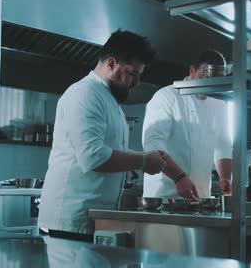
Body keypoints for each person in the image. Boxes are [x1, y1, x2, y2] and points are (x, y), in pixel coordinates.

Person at [38, 29, 167, 242]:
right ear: (111, 63)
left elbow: (109, 151)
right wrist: (144, 160)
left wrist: (150, 156)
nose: (136, 83)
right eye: (132, 73)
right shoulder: (85, 94)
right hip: (70, 222)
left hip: (92, 221)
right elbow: (94, 156)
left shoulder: (108, 98)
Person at [142, 49, 232, 200]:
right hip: (164, 197)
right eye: (204, 78)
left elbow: (223, 144)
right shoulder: (166, 96)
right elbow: (153, 144)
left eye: (216, 81)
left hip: (201, 197)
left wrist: (225, 178)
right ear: (192, 70)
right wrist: (179, 177)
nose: (209, 86)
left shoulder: (220, 104)